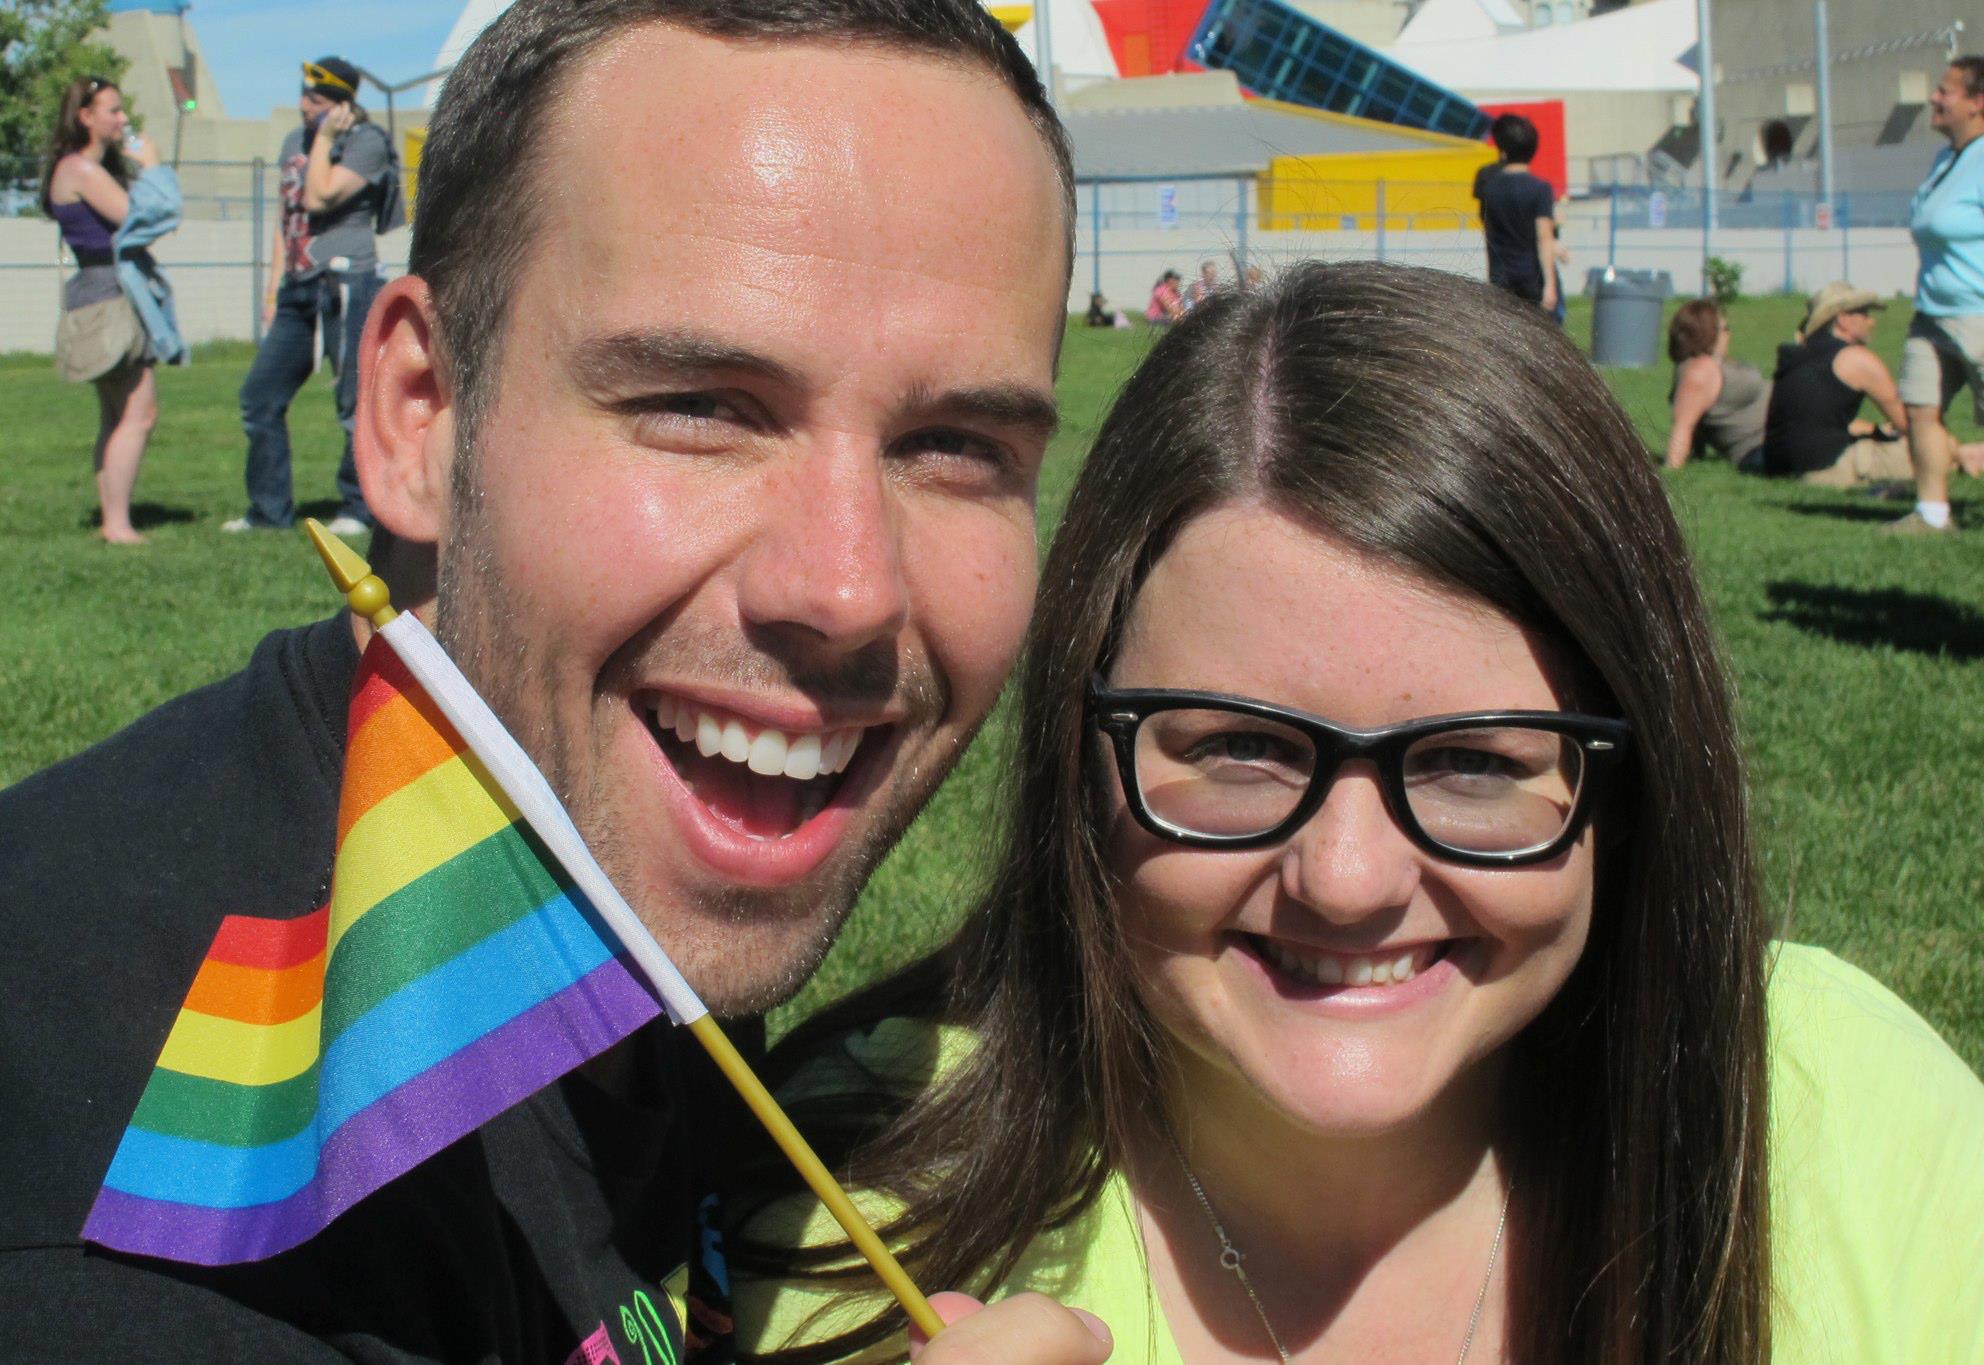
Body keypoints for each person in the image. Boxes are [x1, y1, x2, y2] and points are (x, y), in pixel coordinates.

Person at [0, 4, 1112, 1363]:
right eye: (700, 406)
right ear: (419, 417)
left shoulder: (602, 852)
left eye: (957, 444)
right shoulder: (103, 1236)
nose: (849, 589)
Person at [733, 263, 1984, 1362]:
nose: (1344, 879)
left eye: (1476, 767)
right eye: (1235, 749)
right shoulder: (851, 1207)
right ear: (1079, 749)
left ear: (1635, 784)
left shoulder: (1844, 1112)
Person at [222, 56, 400, 536]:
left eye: (316, 100)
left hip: (348, 285)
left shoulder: (367, 143)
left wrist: (324, 140)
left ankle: (359, 509)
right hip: (298, 291)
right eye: (303, 95)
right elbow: (289, 220)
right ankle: (268, 513)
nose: (303, 106)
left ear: (342, 105)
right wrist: (273, 287)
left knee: (352, 403)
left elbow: (320, 196)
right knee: (259, 397)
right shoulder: (291, 142)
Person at [41, 76, 184, 544]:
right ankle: (117, 524)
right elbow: (143, 216)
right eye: (114, 111)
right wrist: (155, 167)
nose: (123, 120)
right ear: (86, 116)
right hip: (108, 295)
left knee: (117, 413)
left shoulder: (83, 168)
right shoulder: (79, 169)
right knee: (138, 412)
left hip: (105, 291)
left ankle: (113, 519)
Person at [1890, 55, 1984, 534]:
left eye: (1946, 91)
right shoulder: (1945, 159)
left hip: (1979, 314)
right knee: (1921, 406)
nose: (1934, 98)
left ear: (1977, 102)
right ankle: (1931, 514)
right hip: (1931, 312)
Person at [1759, 282, 1913, 488]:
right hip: (1827, 469)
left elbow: (1814, 420)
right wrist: (1954, 449)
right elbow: (1911, 424)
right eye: (1864, 313)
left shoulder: (1797, 357)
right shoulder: (1855, 359)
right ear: (1843, 319)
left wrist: (1875, 430)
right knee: (1929, 452)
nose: (1871, 321)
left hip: (1779, 466)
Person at [1664, 297, 1769, 470]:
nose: (1729, 335)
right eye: (1725, 329)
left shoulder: (1705, 366)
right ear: (1707, 332)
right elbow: (1684, 425)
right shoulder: (1700, 371)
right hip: (1760, 447)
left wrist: (1697, 453)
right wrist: (1673, 466)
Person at [1472, 113, 1557, 314]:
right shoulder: (1540, 188)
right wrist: (1550, 285)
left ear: (1502, 150)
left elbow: (1486, 225)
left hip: (1500, 275)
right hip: (1531, 276)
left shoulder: (1490, 188)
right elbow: (1544, 238)